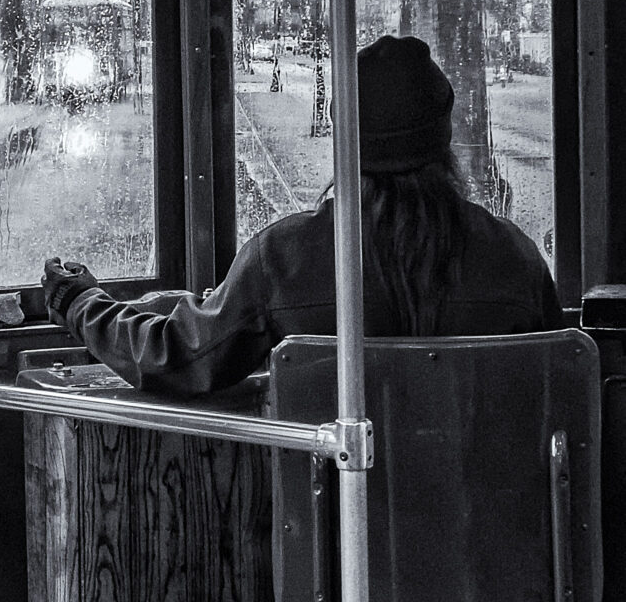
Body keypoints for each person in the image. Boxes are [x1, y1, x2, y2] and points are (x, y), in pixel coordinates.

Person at [42, 35, 562, 396]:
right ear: (444, 139)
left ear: (345, 144)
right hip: (496, 539)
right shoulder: (515, 258)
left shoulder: (287, 259)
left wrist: (82, 303)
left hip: (327, 535)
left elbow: (172, 357)